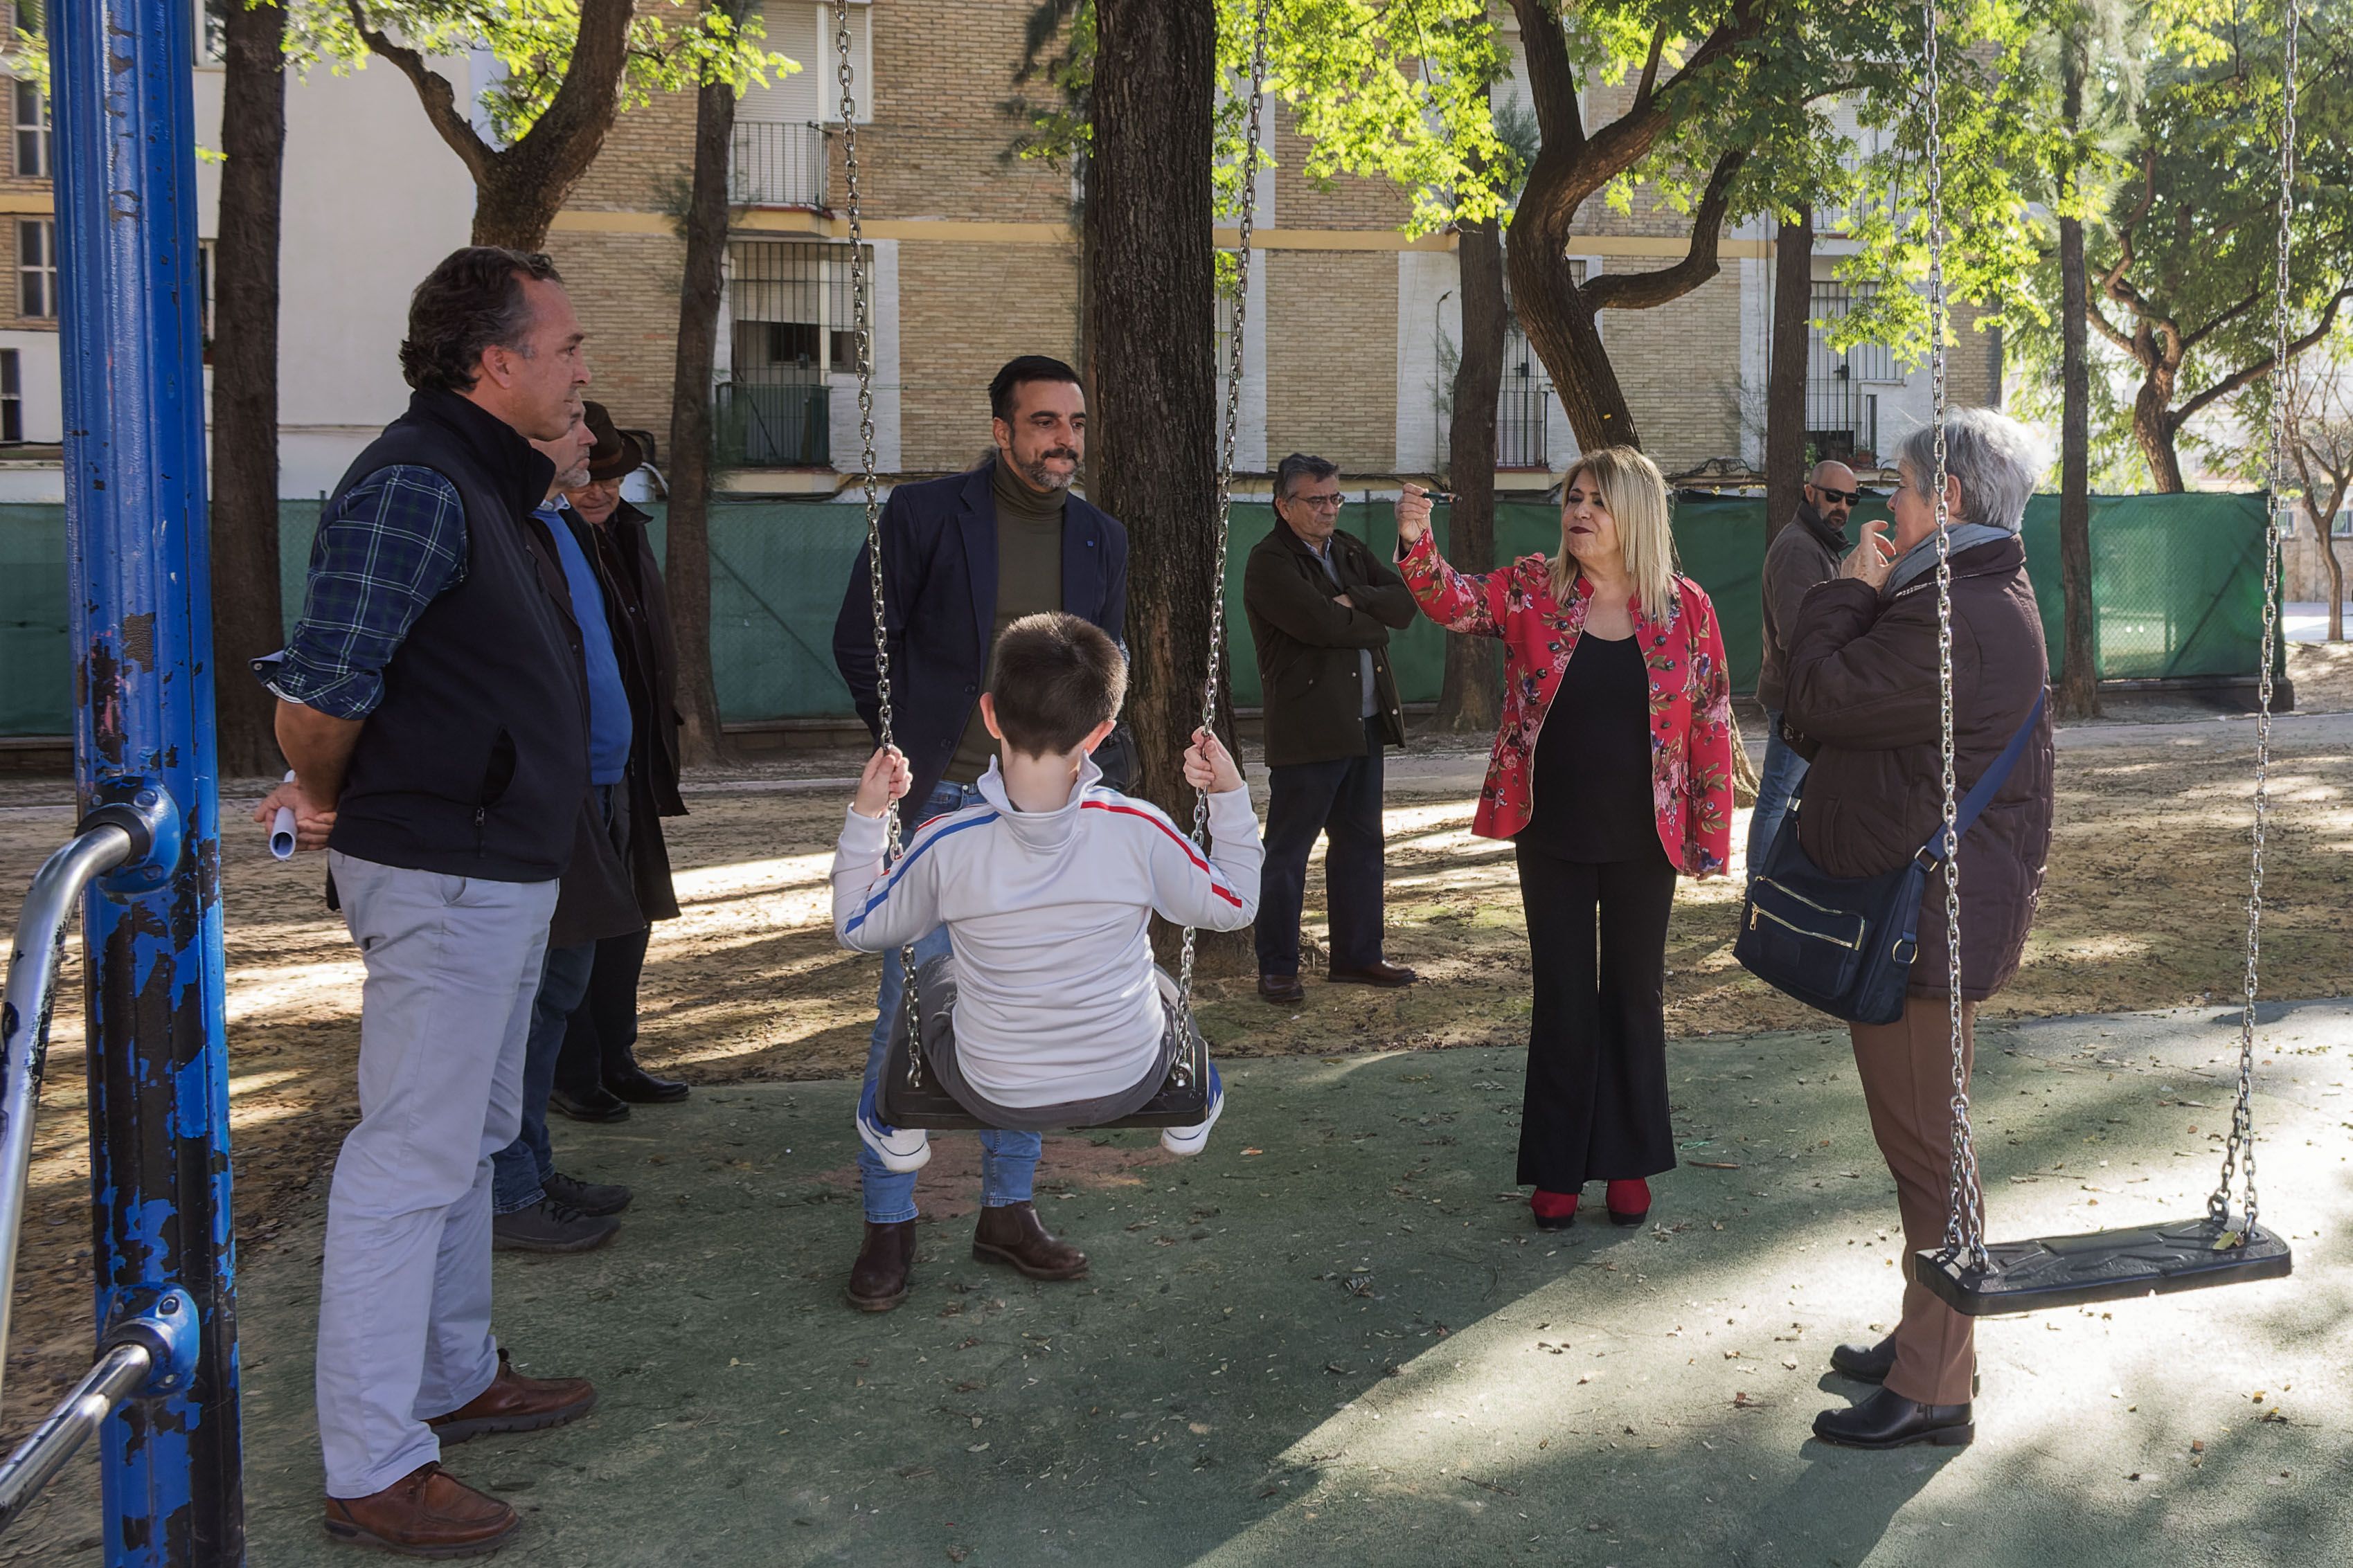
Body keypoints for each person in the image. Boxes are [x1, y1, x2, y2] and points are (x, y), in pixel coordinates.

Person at [251, 247, 600, 1557]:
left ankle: (453, 1376)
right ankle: (374, 1461)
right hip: (444, 872)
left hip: (493, 867)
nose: (582, 367)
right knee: (410, 1157)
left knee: (467, 1138)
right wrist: (318, 789)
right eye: (565, 346)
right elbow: (321, 692)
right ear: (495, 360)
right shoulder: (416, 482)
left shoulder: (487, 483)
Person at [828, 354, 1130, 1313]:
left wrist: (1092, 772)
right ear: (1001, 431)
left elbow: (1106, 664)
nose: (1063, 441)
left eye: (1073, 423)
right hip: (941, 802)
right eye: (1043, 423)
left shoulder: (1100, 537)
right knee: (907, 1015)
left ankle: (1007, 1210)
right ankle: (888, 1220)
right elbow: (861, 640)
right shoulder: (925, 516)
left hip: (1046, 811)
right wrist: (906, 743)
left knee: (1027, 1013)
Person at [1782, 408, 2055, 1451]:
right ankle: (1928, 1338)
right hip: (1937, 910)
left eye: (1896, 487)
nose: (1882, 507)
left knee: (1928, 1155)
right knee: (1928, 1148)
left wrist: (1846, 587)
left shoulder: (1952, 612)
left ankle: (1935, 1384)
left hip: (1924, 926)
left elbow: (1813, 696)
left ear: (1946, 499)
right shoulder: (1969, 592)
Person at [1395, 448, 1733, 1234]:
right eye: (1573, 498)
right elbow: (1452, 604)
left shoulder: (1686, 608)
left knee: (1635, 997)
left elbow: (1712, 719)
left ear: (1635, 514)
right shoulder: (1531, 589)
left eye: (1597, 501)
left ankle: (1627, 1163)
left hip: (1646, 837)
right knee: (1562, 997)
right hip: (1549, 827)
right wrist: (1415, 541)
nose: (1578, 512)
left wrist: (1710, 836)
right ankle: (1556, 1169)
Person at [832, 613, 1258, 1187]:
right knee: (1161, 984)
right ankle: (1190, 1110)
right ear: (1102, 733)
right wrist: (1229, 795)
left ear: (989, 715)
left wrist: (868, 815)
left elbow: (857, 925)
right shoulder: (1140, 828)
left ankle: (894, 1122)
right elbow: (1236, 904)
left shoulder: (946, 842)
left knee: (932, 976)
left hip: (992, 1089)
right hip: (1130, 1079)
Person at [485, 402, 646, 1253]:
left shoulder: (560, 526)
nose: (589, 444)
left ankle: (531, 1166)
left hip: (598, 786)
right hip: (551, 795)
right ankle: (508, 1185)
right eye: (573, 423)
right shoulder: (504, 522)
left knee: (555, 991)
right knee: (525, 997)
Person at [548, 402, 693, 1122]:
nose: (601, 491)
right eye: (588, 477)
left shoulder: (625, 533)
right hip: (573, 768)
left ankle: (616, 1058)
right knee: (579, 924)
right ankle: (572, 1073)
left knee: (630, 918)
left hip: (628, 758)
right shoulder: (546, 537)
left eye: (613, 478)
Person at [1242, 453, 1419, 1005]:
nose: (1328, 509)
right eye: (1315, 500)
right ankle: (1277, 967)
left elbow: (1404, 604)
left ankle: (1357, 955)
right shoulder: (1269, 562)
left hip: (1365, 724)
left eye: (1334, 498)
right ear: (1283, 505)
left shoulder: (1346, 549)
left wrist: (1356, 598)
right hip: (1309, 728)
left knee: (1362, 844)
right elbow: (1321, 624)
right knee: (1288, 851)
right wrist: (1371, 623)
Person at [1750, 460, 1860, 873]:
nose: (1842, 506)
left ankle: (1774, 887)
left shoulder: (1818, 544)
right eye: (1833, 496)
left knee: (1794, 798)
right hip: (1796, 697)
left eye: (1851, 499)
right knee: (1778, 798)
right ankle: (1758, 889)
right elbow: (1796, 634)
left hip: (1807, 693)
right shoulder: (1799, 547)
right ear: (1810, 492)